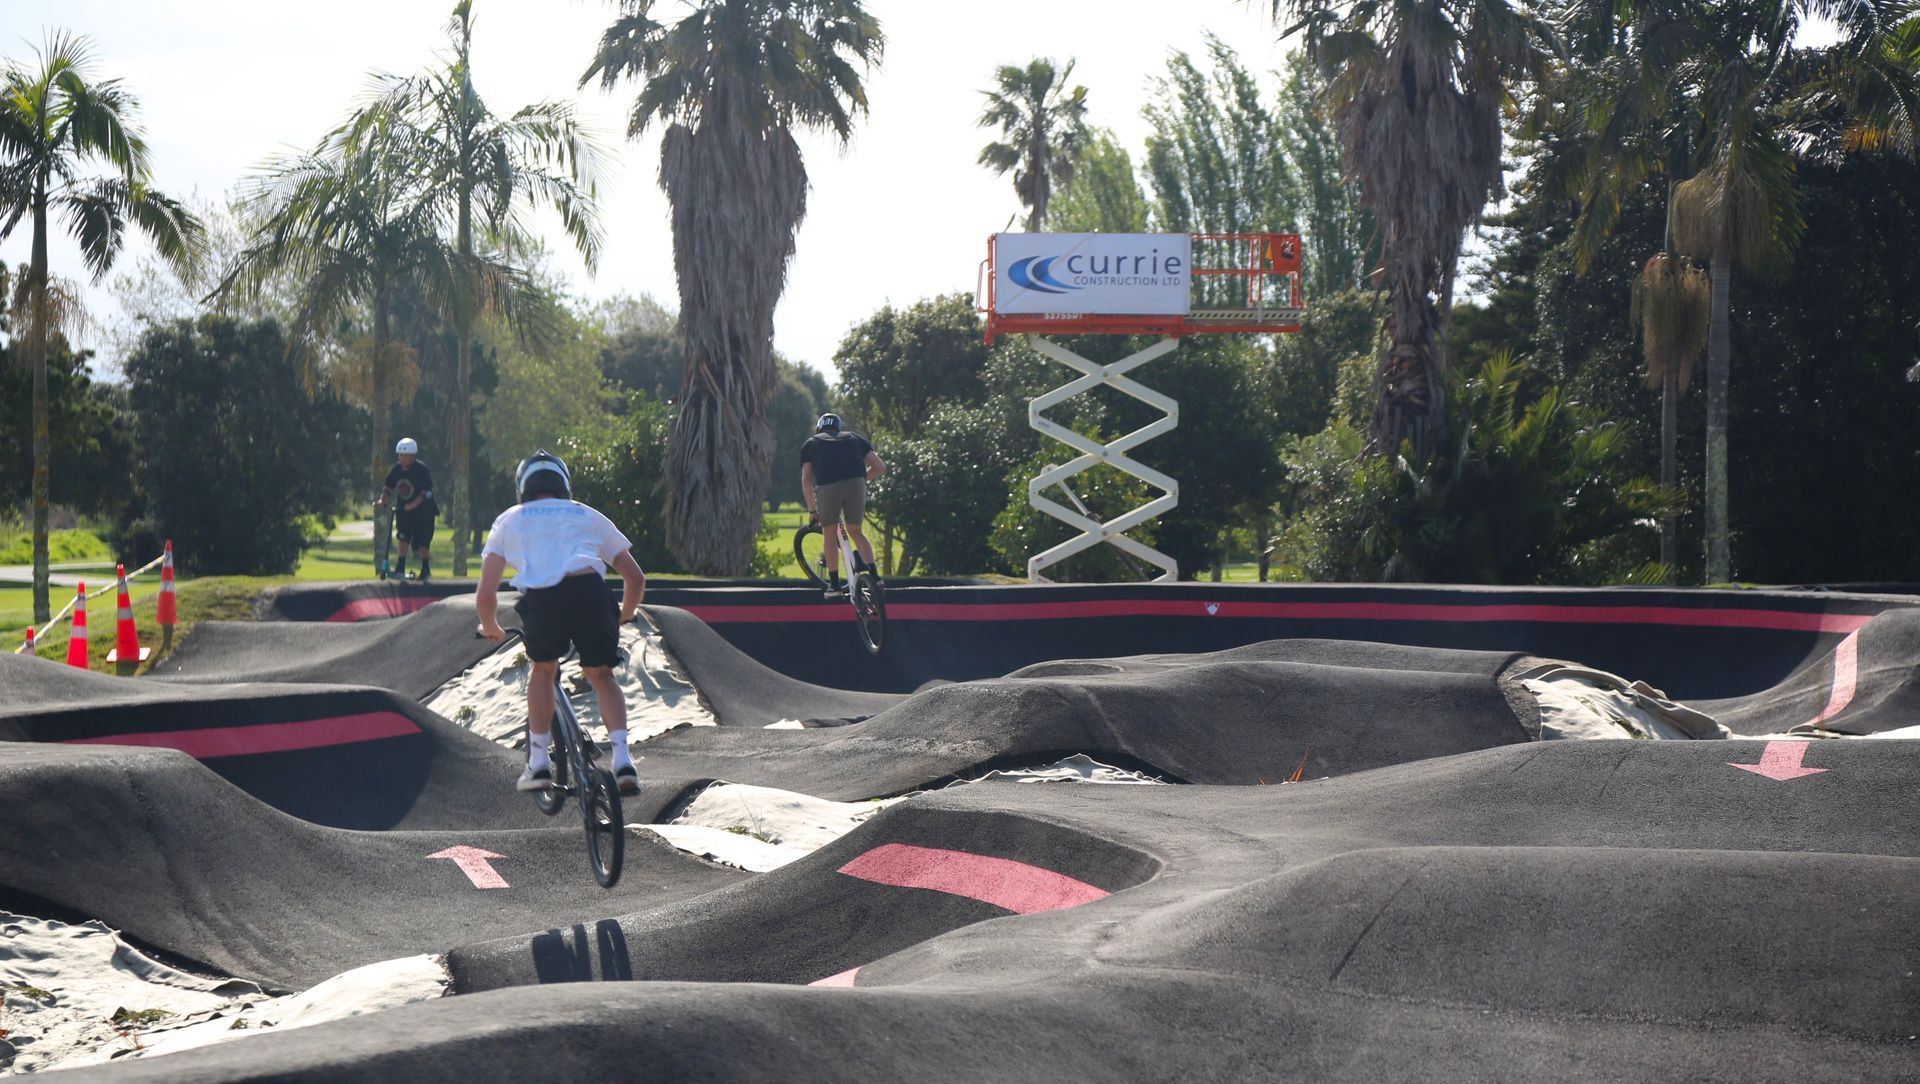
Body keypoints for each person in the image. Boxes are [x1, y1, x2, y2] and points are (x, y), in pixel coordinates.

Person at [475, 450, 646, 796]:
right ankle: (624, 761)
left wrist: (490, 625)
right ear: (564, 484)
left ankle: (538, 764)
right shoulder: (584, 513)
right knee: (601, 674)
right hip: (591, 595)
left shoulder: (511, 518)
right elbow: (635, 577)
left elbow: (486, 590)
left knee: (543, 670)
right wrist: (626, 613)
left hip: (545, 600)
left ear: (522, 487)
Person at [799, 412, 887, 594]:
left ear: (819, 428)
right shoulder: (854, 438)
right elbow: (880, 467)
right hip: (856, 484)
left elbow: (807, 478)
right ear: (838, 427)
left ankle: (835, 585)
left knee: (829, 534)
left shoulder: (811, 443)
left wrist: (812, 510)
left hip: (828, 487)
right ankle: (876, 577)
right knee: (856, 531)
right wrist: (861, 481)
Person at [377, 437, 438, 580]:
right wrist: (382, 500)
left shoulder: (421, 470)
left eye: (405, 455)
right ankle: (400, 565)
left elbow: (425, 492)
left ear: (413, 456)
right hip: (404, 509)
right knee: (403, 537)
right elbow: (388, 486)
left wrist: (413, 505)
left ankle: (425, 568)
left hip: (424, 512)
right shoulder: (397, 469)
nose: (402, 458)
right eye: (400, 455)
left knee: (423, 542)